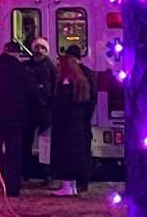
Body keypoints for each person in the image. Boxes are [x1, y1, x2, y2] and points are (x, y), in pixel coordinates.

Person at [0, 41, 36, 197]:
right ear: (17, 53)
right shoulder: (20, 70)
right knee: (13, 153)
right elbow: (31, 92)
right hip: (15, 118)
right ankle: (13, 187)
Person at [51, 53, 93, 196]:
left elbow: (61, 105)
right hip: (78, 124)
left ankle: (66, 186)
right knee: (75, 155)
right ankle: (73, 186)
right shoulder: (81, 82)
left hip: (66, 125)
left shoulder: (66, 84)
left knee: (65, 155)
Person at [23, 36, 58, 183]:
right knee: (25, 141)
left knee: (46, 143)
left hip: (45, 109)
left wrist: (52, 107)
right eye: (37, 47)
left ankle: (47, 171)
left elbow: (55, 87)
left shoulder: (51, 67)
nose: (40, 51)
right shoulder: (26, 66)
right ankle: (24, 171)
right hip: (29, 109)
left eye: (43, 48)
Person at [64, 45, 98, 193]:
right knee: (84, 150)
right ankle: (83, 182)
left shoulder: (70, 75)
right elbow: (93, 98)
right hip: (84, 118)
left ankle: (74, 182)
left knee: (74, 152)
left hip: (75, 119)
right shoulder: (89, 74)